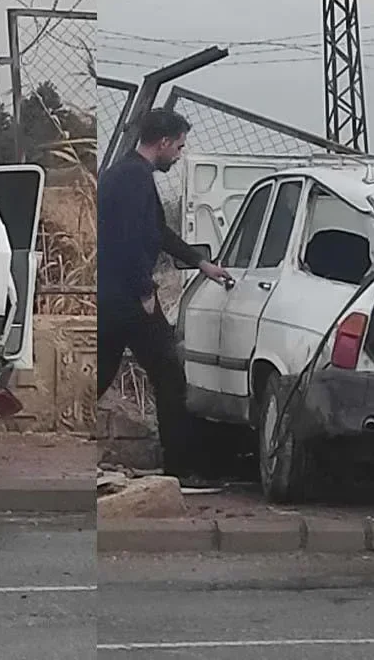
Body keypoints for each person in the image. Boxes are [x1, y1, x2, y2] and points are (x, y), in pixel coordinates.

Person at [98, 108, 232, 478]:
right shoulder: (133, 180)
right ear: (164, 142)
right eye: (179, 147)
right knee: (169, 375)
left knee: (105, 370)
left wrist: (200, 262)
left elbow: (156, 231)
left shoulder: (127, 174)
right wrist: (144, 292)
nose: (179, 154)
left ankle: (178, 466)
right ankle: (180, 469)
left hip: (114, 297)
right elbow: (127, 240)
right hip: (129, 299)